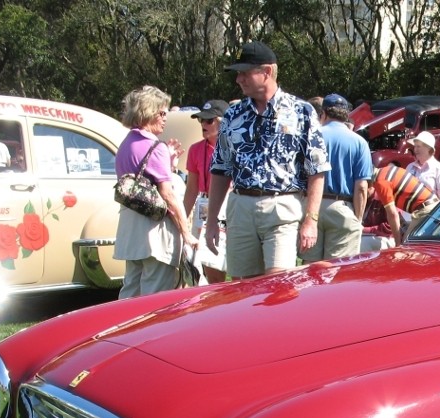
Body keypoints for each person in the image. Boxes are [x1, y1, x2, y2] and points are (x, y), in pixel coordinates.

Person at [204, 41, 329, 277]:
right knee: (243, 291)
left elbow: (317, 169)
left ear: (267, 71)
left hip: (282, 207)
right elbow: (220, 169)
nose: (238, 79)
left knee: (278, 287)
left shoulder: (301, 111)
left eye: (244, 73)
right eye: (237, 74)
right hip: (241, 209)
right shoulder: (232, 114)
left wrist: (311, 221)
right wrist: (211, 222)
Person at [113, 85, 197, 298]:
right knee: (155, 298)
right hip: (155, 233)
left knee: (130, 292)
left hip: (130, 231)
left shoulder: (126, 144)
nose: (165, 117)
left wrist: (168, 165)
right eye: (161, 112)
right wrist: (186, 233)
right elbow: (167, 195)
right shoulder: (155, 147)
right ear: (148, 112)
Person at [301, 93, 373, 262]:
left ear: (323, 113)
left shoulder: (312, 137)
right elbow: (362, 186)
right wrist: (358, 218)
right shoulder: (359, 142)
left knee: (309, 268)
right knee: (336, 271)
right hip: (342, 207)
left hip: (311, 207)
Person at [183, 98, 229, 283]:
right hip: (203, 206)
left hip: (229, 204)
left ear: (223, 121)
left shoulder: (233, 147)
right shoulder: (195, 150)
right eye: (201, 120)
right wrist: (181, 220)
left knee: (233, 260)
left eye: (209, 120)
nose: (203, 124)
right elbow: (191, 189)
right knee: (209, 260)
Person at [369, 164, 438, 246]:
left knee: (406, 246)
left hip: (425, 210)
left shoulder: (381, 182)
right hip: (434, 205)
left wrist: (397, 243)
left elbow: (392, 214)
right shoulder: (390, 169)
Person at [405, 130, 440, 199]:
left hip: (430, 208)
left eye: (418, 146)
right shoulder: (410, 167)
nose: (415, 149)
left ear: (428, 148)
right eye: (415, 146)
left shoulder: (438, 168)